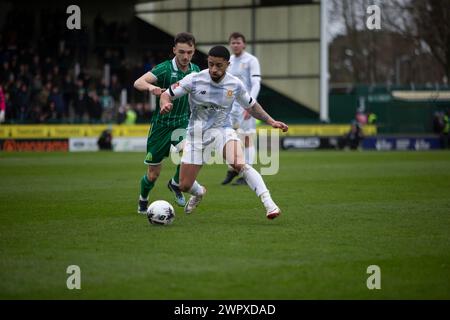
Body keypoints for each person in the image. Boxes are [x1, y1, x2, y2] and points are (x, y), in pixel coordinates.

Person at [159, 46, 289, 219]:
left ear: (228, 64)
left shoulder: (235, 84)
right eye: (211, 64)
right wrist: (165, 104)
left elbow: (252, 106)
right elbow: (166, 95)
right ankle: (199, 193)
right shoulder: (194, 79)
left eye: (219, 65)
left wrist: (271, 121)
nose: (214, 69)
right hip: (196, 135)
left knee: (238, 163)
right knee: (184, 185)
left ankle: (269, 204)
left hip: (222, 130)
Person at [133, 32, 201, 214]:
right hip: (161, 127)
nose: (186, 56)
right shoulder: (164, 69)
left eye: (190, 52)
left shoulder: (196, 71)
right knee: (153, 175)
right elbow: (138, 82)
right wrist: (151, 87)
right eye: (181, 52)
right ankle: (143, 200)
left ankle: (176, 183)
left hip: (182, 123)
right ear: (174, 51)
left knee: (190, 151)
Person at [221, 32, 262, 186]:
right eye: (233, 42)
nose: (235, 45)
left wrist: (251, 104)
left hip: (246, 105)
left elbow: (256, 83)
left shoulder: (251, 60)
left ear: (244, 44)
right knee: (229, 138)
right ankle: (232, 169)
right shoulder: (229, 61)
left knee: (247, 139)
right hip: (230, 107)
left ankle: (247, 175)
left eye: (238, 42)